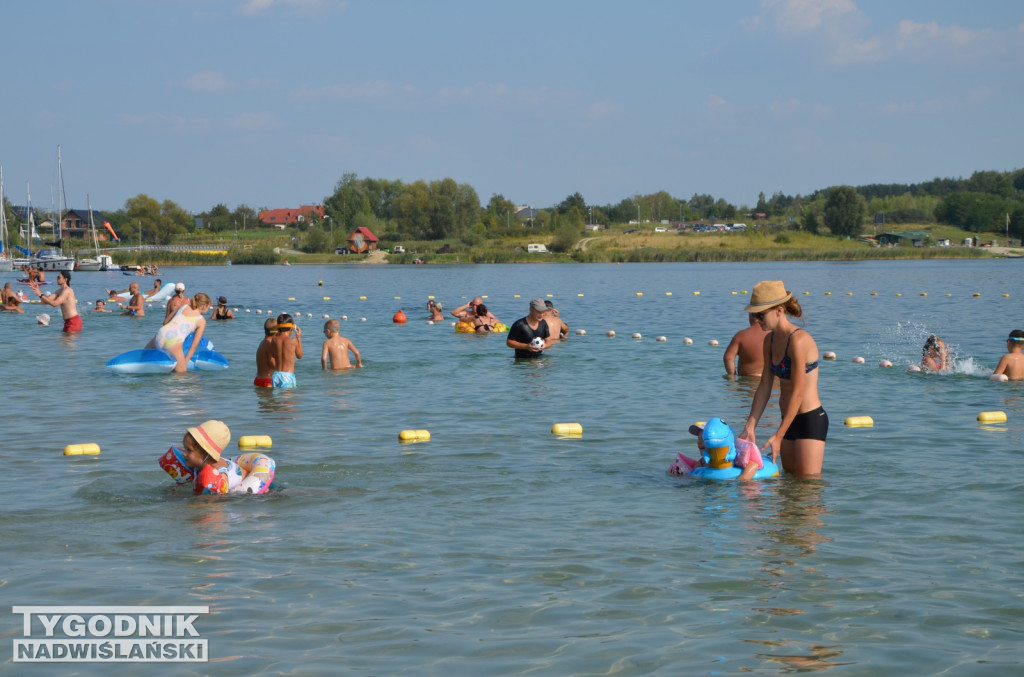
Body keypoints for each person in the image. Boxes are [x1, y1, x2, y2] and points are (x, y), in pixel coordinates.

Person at [740, 280, 827, 476]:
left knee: (807, 488)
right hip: (786, 420)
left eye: (760, 314)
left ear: (779, 310)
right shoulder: (769, 341)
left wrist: (778, 435)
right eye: (754, 314)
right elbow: (764, 386)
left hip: (809, 420)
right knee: (790, 487)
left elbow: (797, 392)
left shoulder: (799, 340)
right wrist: (750, 425)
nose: (756, 319)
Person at [170, 419, 275, 495]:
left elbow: (217, 505)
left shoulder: (221, 475)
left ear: (206, 453)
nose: (184, 453)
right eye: (185, 449)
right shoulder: (200, 464)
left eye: (189, 450)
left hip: (261, 493)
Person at [144, 292, 212, 373]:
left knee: (144, 357)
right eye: (208, 307)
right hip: (173, 342)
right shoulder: (201, 321)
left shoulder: (184, 306)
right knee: (182, 374)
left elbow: (165, 322)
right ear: (204, 305)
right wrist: (184, 363)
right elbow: (193, 346)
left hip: (160, 335)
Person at [270, 313, 303, 387]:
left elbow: (272, 354)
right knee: (288, 398)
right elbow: (300, 356)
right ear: (292, 328)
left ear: (278, 328)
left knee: (277, 398)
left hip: (276, 376)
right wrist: (299, 339)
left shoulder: (274, 340)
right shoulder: (293, 340)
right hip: (288, 376)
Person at [254, 318, 278, 388]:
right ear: (277, 333)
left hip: (258, 379)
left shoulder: (263, 342)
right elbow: (272, 364)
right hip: (267, 381)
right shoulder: (269, 344)